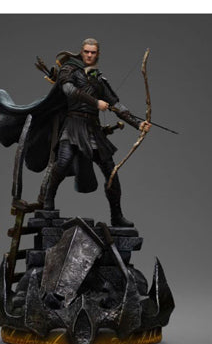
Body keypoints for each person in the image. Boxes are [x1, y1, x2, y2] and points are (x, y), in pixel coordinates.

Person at [43, 38, 151, 227]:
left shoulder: (97, 78)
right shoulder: (69, 70)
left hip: (93, 128)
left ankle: (116, 215)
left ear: (97, 54)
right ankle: (48, 201)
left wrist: (138, 123)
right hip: (73, 125)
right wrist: (95, 102)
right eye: (86, 51)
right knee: (63, 162)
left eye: (93, 52)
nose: (89, 55)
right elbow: (69, 90)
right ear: (82, 52)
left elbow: (116, 104)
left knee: (111, 171)